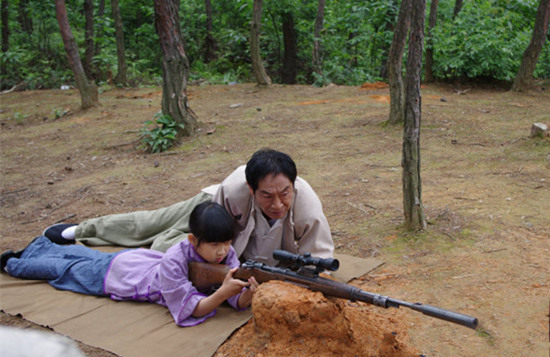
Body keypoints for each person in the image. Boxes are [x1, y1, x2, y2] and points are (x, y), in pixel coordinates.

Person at [42, 148, 334, 266]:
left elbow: (320, 258)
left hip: (231, 238)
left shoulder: (304, 201)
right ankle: (81, 229)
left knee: (158, 249)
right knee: (149, 225)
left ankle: (156, 245)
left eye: (285, 194)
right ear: (251, 190)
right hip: (208, 210)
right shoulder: (233, 191)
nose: (278, 204)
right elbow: (213, 231)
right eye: (267, 196)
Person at [1, 202, 259, 327]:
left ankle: (39, 246)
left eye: (226, 242)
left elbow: (236, 300)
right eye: (214, 245)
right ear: (192, 240)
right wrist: (223, 293)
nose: (223, 251)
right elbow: (191, 309)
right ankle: (12, 263)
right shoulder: (175, 259)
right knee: (64, 271)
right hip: (120, 277)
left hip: (133, 260)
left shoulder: (227, 254)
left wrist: (248, 292)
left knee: (83, 257)